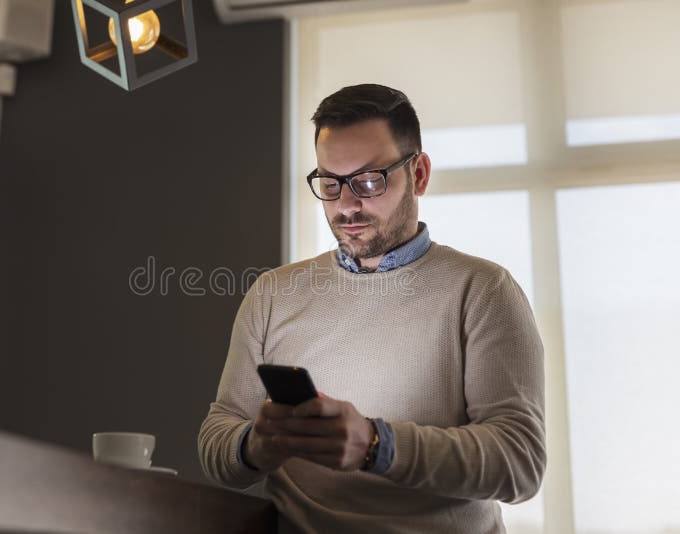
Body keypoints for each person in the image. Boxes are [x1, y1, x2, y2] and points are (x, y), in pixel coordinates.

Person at [198, 84, 545, 533]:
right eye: (329, 183)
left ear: (418, 174)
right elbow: (216, 438)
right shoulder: (272, 294)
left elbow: (520, 463)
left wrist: (376, 445)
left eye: (368, 181)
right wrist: (256, 444)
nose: (346, 205)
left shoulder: (483, 290)